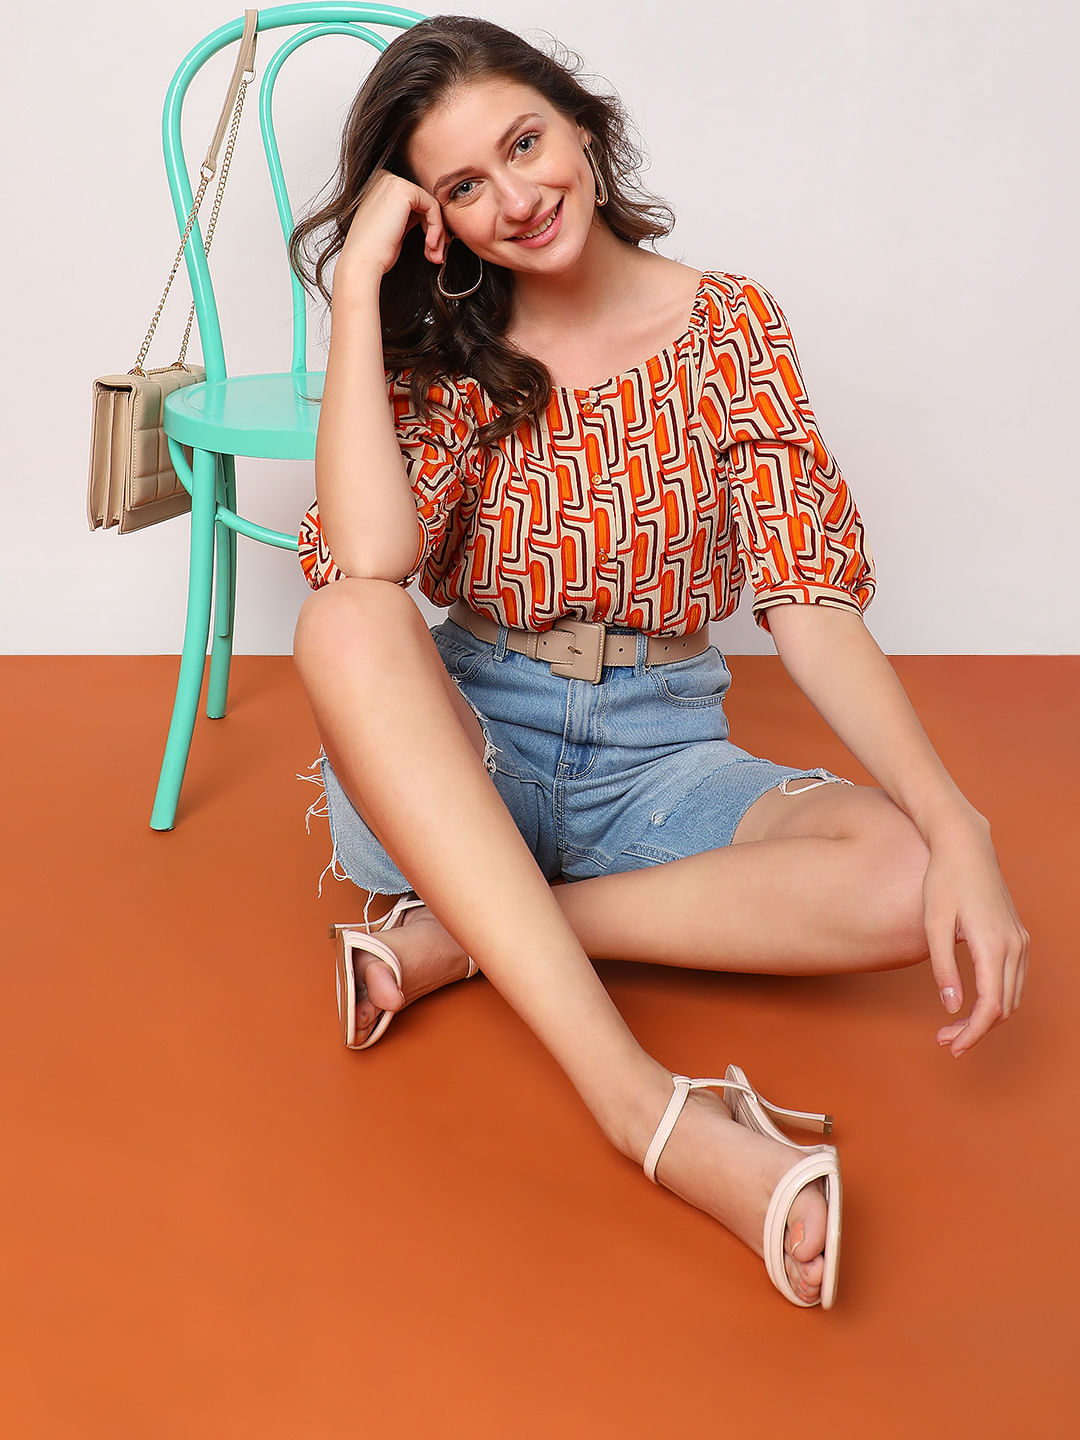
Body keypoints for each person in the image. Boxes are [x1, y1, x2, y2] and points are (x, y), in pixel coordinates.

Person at [288, 15, 1028, 1309]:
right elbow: (369, 555)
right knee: (350, 617)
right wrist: (359, 294)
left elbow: (807, 599)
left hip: (660, 760)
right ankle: (646, 1112)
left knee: (908, 873)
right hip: (467, 751)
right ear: (439, 219)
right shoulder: (455, 349)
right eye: (465, 185)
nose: (515, 198)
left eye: (525, 143)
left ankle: (467, 941)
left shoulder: (730, 325)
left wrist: (953, 817)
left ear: (585, 125)